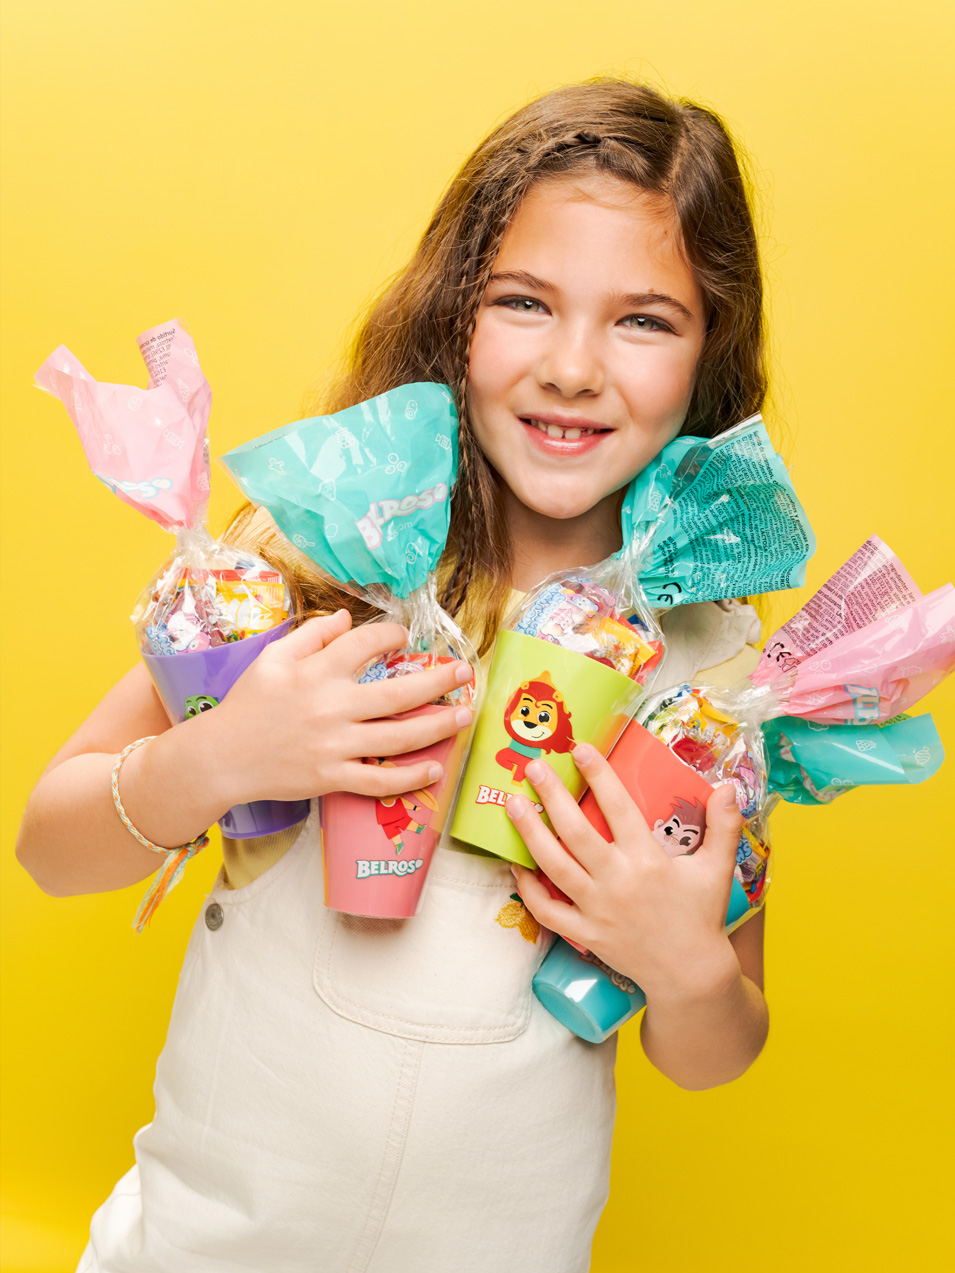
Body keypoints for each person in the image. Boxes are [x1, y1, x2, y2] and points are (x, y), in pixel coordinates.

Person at [17, 79, 772, 1272]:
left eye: (644, 320)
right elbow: (49, 845)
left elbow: (715, 1044)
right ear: (451, 316)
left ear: (709, 350)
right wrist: (220, 757)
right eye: (524, 302)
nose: (574, 367)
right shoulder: (311, 567)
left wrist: (683, 970)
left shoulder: (715, 675)